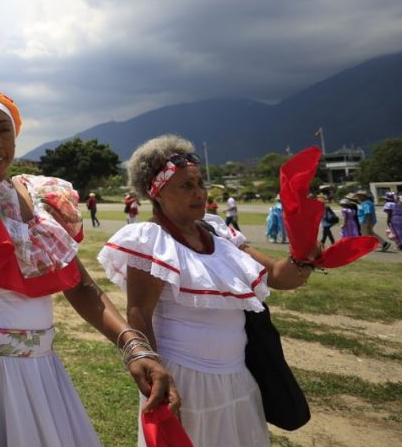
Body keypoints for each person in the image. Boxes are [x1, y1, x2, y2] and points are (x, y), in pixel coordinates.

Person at [0, 82, 177, 447]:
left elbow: (81, 285)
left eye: (3, 130)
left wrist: (133, 346)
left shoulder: (42, 197)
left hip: (40, 375)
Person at [98, 134, 317, 446]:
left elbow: (279, 276)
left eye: (200, 183)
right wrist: (156, 374)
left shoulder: (219, 234)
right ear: (157, 192)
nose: (199, 192)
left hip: (238, 378)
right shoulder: (151, 241)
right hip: (186, 381)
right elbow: (139, 314)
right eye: (186, 185)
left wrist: (303, 255)